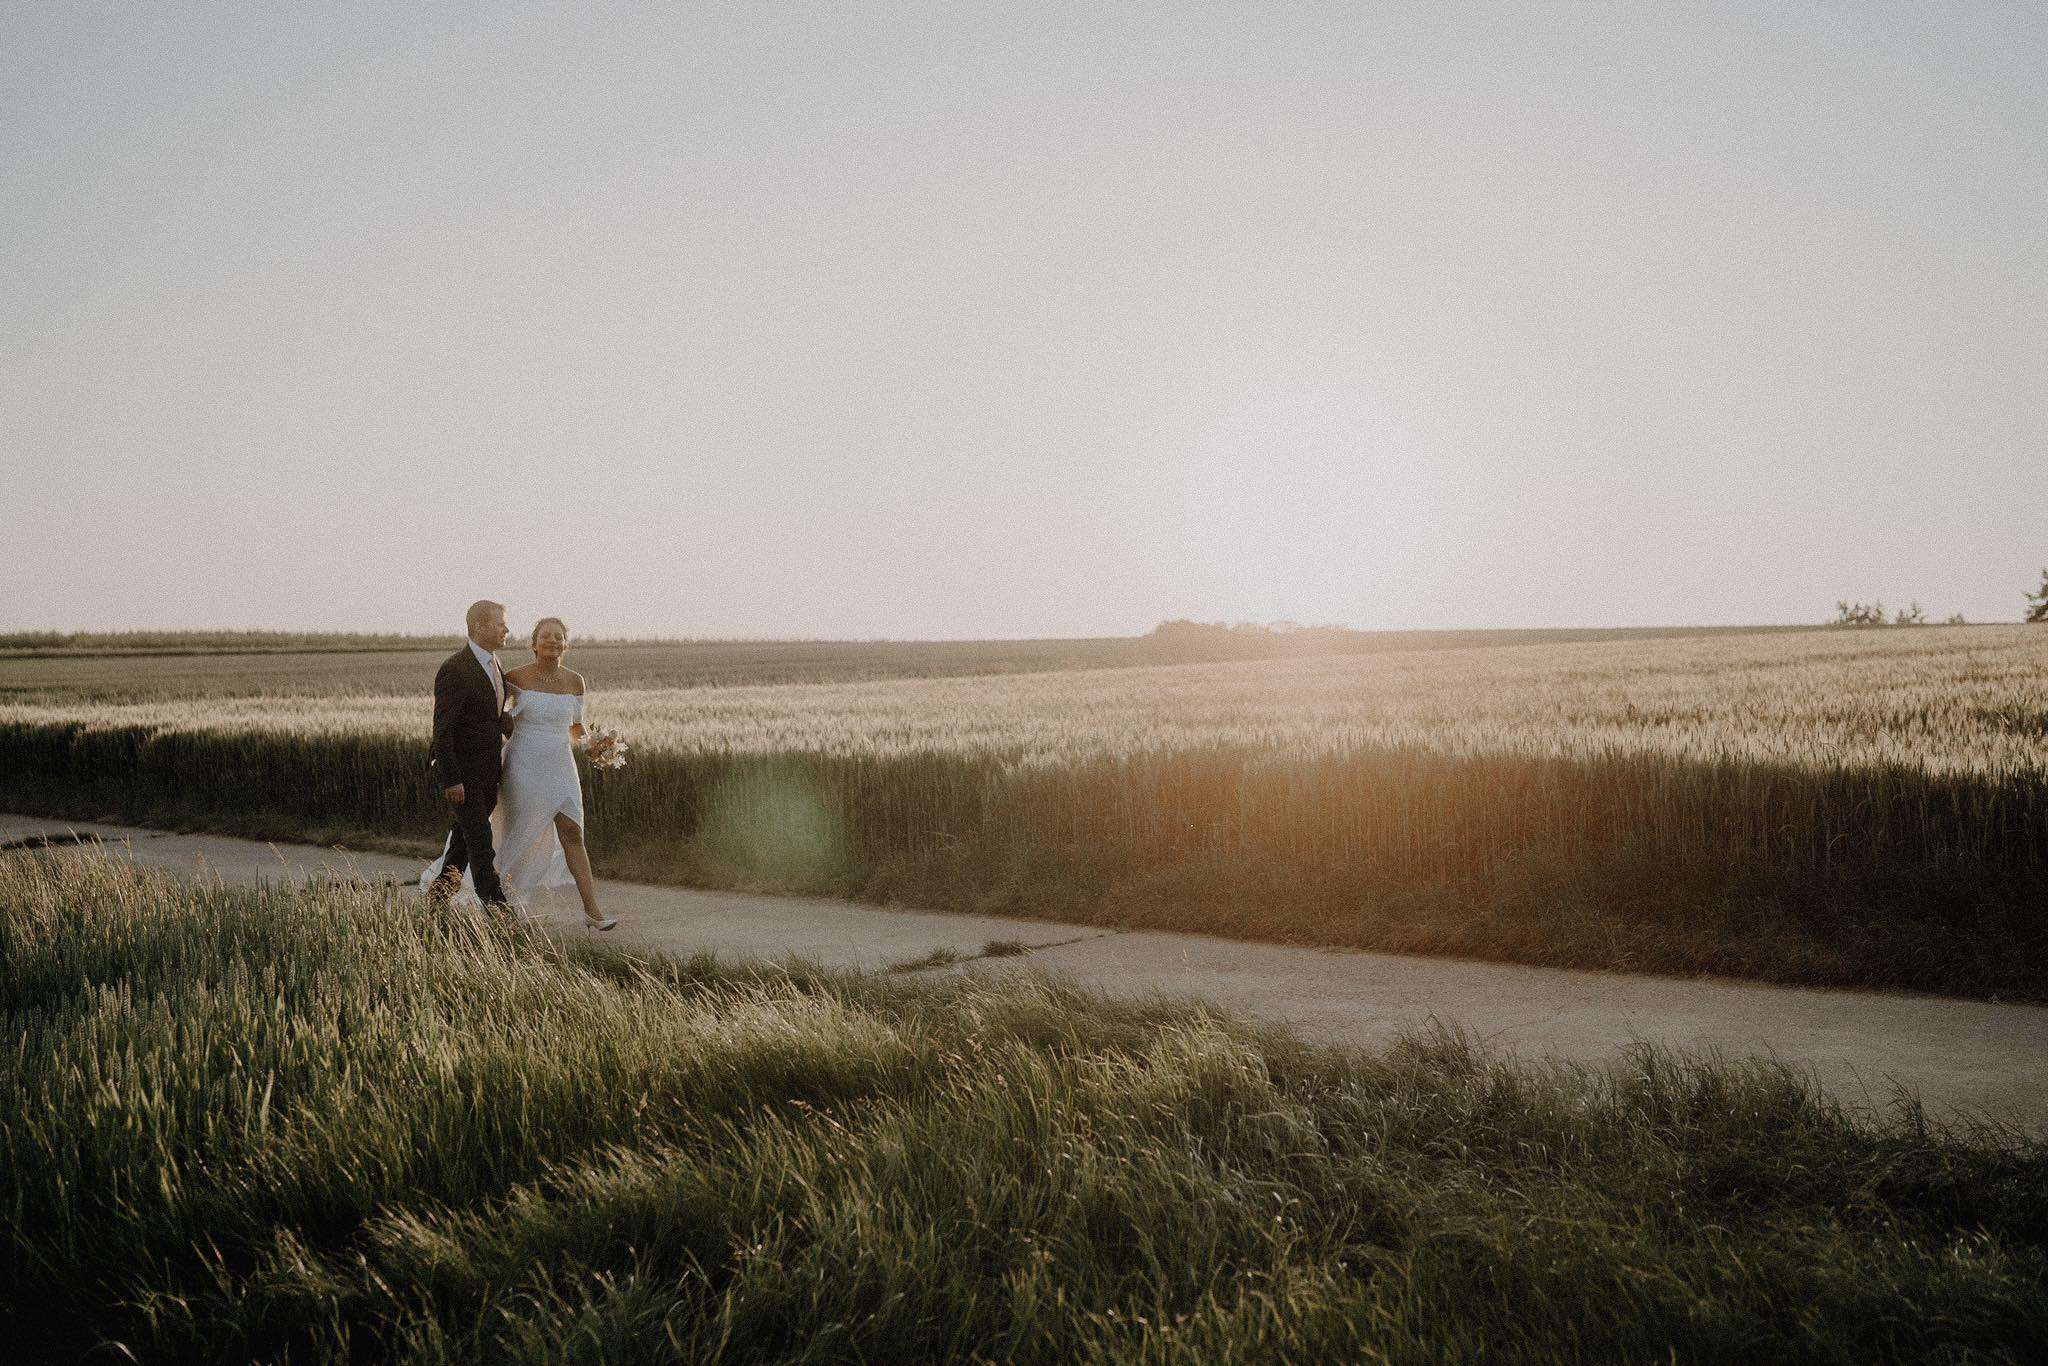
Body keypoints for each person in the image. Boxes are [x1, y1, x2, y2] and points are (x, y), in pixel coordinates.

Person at [423, 613, 619, 930]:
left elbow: (576, 727)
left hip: (562, 765)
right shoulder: (515, 677)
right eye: (546, 636)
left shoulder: (575, 681)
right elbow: (489, 714)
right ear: (534, 643)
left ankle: (592, 912)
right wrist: (460, 753)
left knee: (573, 833)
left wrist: (598, 745)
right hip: (524, 765)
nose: (553, 641)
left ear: (565, 644)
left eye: (559, 636)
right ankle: (497, 902)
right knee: (515, 837)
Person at [422, 599, 514, 913]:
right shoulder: (454, 669)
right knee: (481, 845)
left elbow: (495, 717)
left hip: (489, 775)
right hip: (464, 778)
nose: (506, 629)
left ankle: (436, 903)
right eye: (501, 624)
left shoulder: (496, 665)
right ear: (479, 626)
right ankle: (500, 914)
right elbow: (442, 730)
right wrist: (452, 779)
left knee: (462, 846)